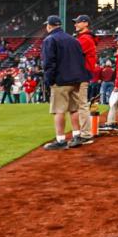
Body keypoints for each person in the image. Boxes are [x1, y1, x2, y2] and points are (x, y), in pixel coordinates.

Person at [41, 14, 88, 150]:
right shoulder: (73, 40)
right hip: (75, 80)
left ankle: (60, 140)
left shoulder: (50, 39)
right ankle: (77, 136)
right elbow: (81, 60)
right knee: (74, 109)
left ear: (49, 26)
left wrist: (49, 80)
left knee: (59, 110)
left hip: (60, 81)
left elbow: (49, 62)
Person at [73, 14, 98, 144]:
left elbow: (72, 54)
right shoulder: (84, 38)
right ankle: (83, 132)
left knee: (82, 105)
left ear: (85, 24)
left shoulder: (85, 39)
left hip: (82, 74)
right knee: (80, 105)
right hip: (81, 74)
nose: (75, 24)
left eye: (78, 22)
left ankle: (86, 134)